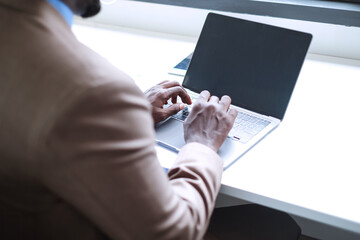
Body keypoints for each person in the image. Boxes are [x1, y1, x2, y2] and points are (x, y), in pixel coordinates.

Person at [0, 0, 301, 239]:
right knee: (271, 223)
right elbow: (174, 234)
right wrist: (202, 143)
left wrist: (124, 120)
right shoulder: (94, 90)